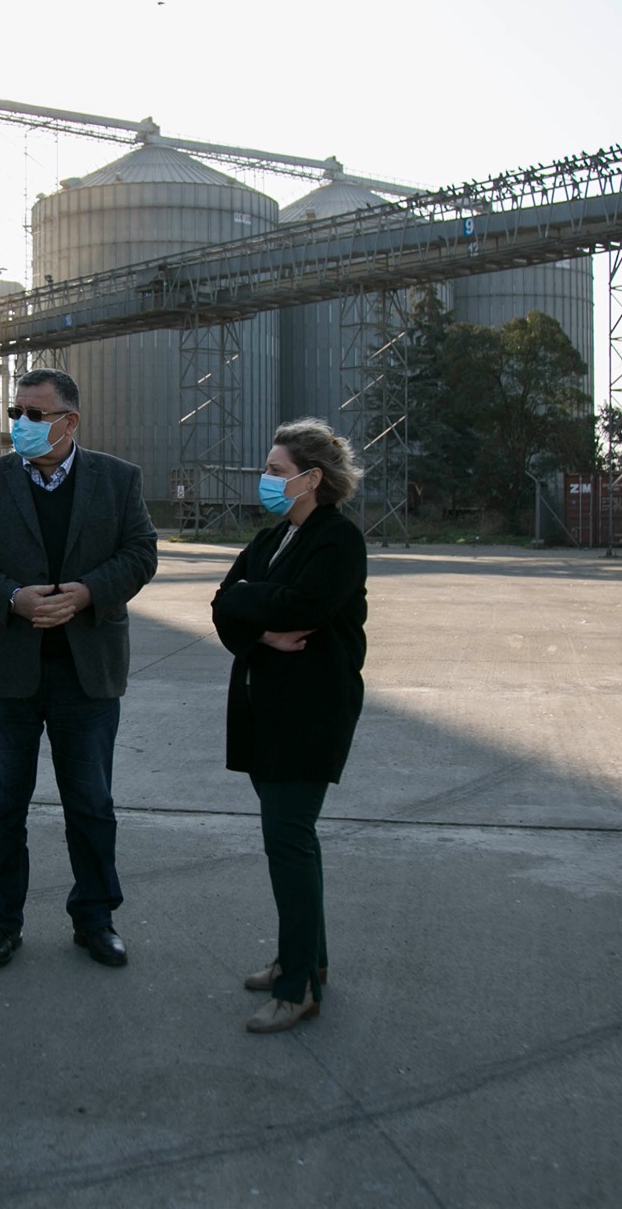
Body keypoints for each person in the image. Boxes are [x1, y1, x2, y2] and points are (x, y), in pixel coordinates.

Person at [0, 368, 158, 971]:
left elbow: (140, 553)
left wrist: (88, 593)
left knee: (90, 806)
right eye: (16, 412)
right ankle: (1, 923)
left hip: (85, 675)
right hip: (4, 675)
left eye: (35, 415)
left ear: (70, 421)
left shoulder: (118, 480)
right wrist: (13, 598)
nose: (21, 424)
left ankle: (95, 918)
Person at [209, 419, 368, 1034]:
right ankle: (306, 962)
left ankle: (296, 988)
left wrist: (252, 604)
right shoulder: (275, 536)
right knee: (295, 842)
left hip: (310, 712)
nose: (266, 479)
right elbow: (222, 602)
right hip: (264, 708)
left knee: (288, 842)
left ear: (312, 478)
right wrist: (262, 630)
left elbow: (305, 606)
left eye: (276, 471)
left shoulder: (338, 540)